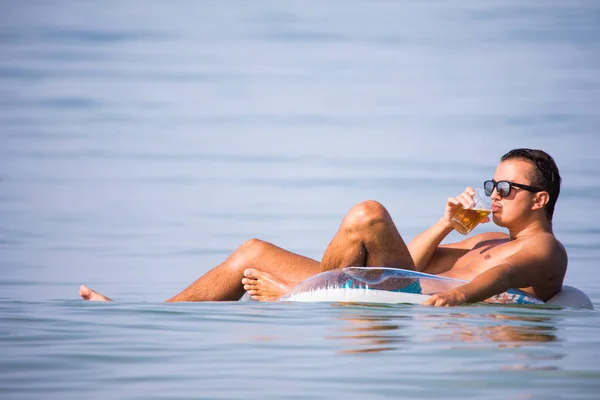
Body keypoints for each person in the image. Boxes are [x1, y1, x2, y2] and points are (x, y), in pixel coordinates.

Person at [80, 148, 566, 306]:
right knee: (251, 249)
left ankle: (293, 298)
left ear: (539, 199)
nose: (494, 195)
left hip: (416, 305)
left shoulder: (546, 250)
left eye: (507, 189)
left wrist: (452, 299)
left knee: (368, 213)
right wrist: (444, 224)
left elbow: (493, 282)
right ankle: (151, 313)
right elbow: (412, 266)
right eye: (493, 185)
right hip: (395, 286)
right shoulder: (482, 238)